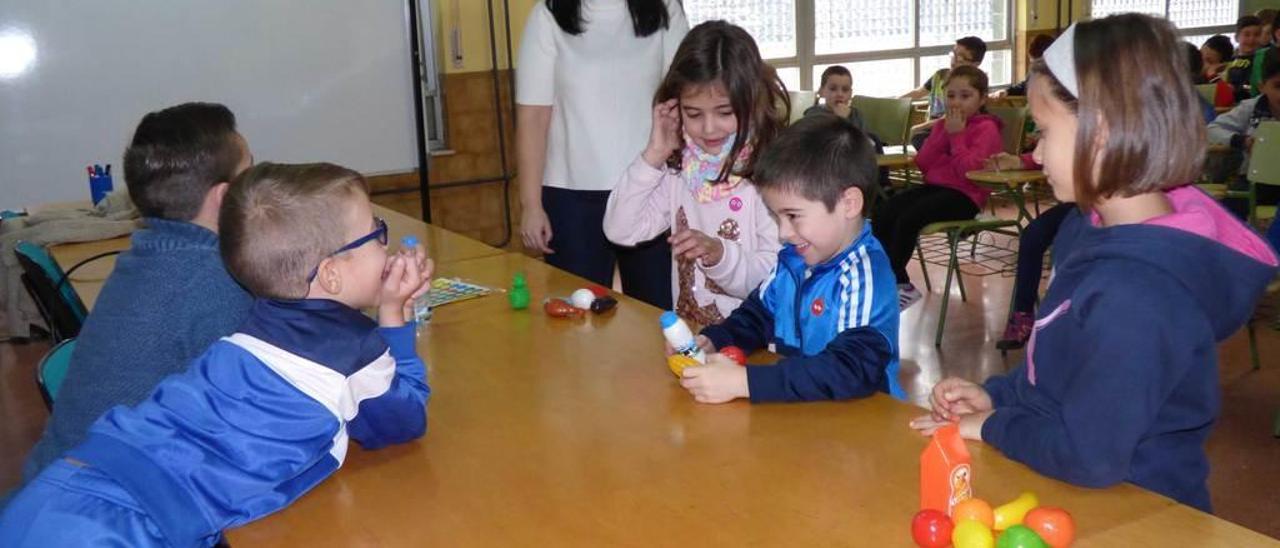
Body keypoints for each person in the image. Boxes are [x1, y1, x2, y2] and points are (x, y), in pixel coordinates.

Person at [910, 14, 1278, 513]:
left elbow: (1091, 457)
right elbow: (1058, 368)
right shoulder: (1091, 225)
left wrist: (995, 426)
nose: (1036, 154)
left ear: (1100, 134)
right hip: (1078, 493)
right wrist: (999, 397)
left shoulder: (1138, 294)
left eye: (1042, 133)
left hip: (1140, 514)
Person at [0, 162, 433, 546]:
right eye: (377, 234)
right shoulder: (351, 349)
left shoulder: (255, 322)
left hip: (70, 481)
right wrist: (394, 314)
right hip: (128, 524)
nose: (385, 247)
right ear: (332, 275)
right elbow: (404, 420)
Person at [17, 103, 255, 486]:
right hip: (102, 512)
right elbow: (255, 418)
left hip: (55, 486)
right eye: (250, 173)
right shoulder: (214, 281)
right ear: (225, 198)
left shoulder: (151, 252)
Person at [676, 115, 904, 403]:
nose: (783, 233)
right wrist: (716, 340)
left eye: (793, 216)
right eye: (776, 216)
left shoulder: (863, 275)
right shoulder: (794, 259)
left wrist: (746, 382)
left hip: (861, 420)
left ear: (849, 204)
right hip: (807, 410)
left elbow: (851, 371)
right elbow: (758, 316)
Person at [603, 21, 784, 325]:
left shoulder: (772, 178)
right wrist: (654, 155)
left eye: (724, 112)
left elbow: (774, 281)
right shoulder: (680, 171)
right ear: (674, 107)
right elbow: (621, 229)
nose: (708, 128)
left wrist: (720, 254)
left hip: (755, 347)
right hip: (694, 338)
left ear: (751, 103)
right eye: (693, 113)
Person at [516, 0, 689, 309]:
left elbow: (684, 99)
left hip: (652, 188)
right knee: (577, 319)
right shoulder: (549, 14)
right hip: (571, 198)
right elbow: (532, 117)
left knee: (656, 313)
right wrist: (530, 204)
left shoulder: (664, 9)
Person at [873, 66, 1004, 310]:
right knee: (884, 211)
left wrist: (957, 137)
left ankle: (899, 286)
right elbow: (923, 163)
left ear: (983, 98)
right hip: (937, 188)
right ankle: (887, 280)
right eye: (951, 95)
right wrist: (943, 132)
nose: (956, 102)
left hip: (965, 196)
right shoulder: (946, 124)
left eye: (965, 96)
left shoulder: (987, 128)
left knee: (908, 219)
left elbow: (970, 173)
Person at [1209, 47, 1280, 218]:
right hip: (1254, 183)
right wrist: (1241, 141)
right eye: (1278, 86)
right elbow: (1211, 129)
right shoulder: (1251, 108)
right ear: (1262, 86)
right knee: (1226, 212)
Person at [902, 36, 987, 150]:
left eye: (961, 58)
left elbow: (956, 116)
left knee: (920, 138)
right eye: (954, 54)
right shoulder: (941, 74)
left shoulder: (976, 82)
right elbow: (919, 92)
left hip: (954, 128)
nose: (954, 60)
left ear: (976, 64)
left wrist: (920, 127)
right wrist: (893, 101)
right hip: (933, 128)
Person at [1225, 15, 1266, 100]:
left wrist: (1238, 89)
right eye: (1247, 35)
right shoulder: (1232, 60)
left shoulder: (1261, 60)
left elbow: (1253, 86)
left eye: (1257, 35)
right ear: (1237, 37)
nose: (1251, 39)